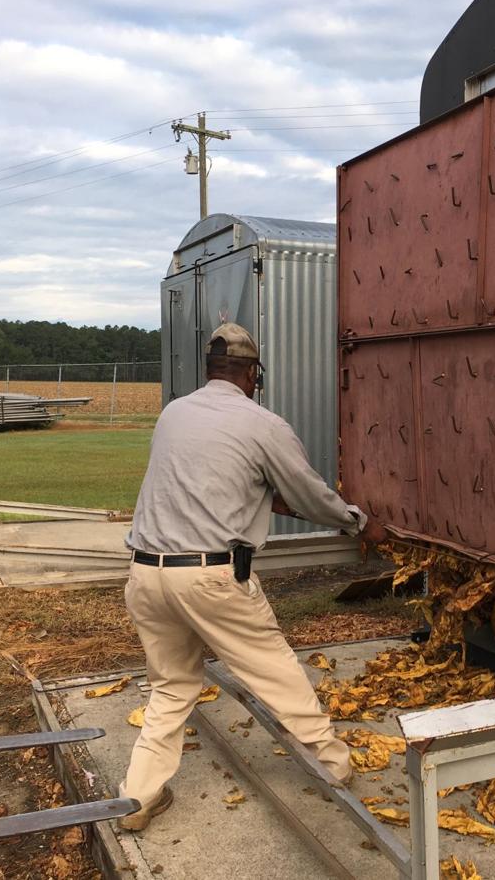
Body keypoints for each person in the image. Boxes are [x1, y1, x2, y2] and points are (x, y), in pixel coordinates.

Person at [117, 322, 388, 832]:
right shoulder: (262, 423)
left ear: (209, 370)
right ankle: (334, 764)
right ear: (251, 374)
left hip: (145, 574)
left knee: (172, 687)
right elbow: (306, 493)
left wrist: (268, 497)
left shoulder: (174, 413)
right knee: (273, 669)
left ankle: (137, 796)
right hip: (209, 577)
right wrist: (360, 524)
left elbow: (217, 484)